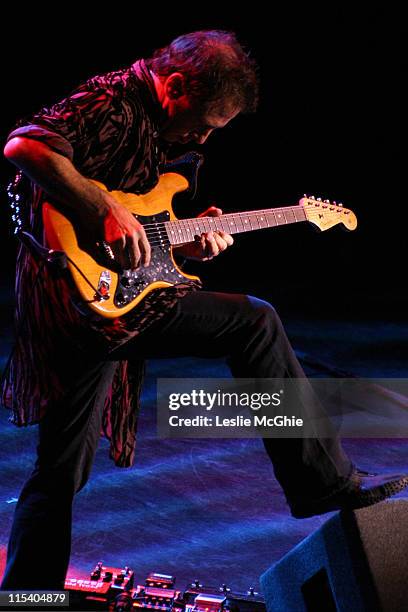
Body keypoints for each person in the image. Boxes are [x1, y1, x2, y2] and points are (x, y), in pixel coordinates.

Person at [1, 30, 407, 591]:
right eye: (205, 123)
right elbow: (25, 147)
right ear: (174, 85)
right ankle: (323, 481)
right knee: (255, 321)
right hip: (79, 302)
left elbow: (133, 221)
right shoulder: (111, 101)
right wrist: (104, 210)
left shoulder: (144, 119)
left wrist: (178, 243)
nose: (203, 138)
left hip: (98, 297)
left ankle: (27, 597)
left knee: (59, 471)